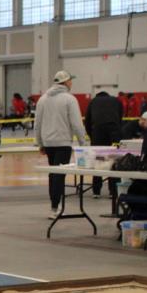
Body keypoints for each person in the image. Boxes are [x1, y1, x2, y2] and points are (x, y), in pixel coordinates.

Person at [34, 70, 87, 219]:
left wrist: (40, 143)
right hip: (63, 143)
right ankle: (56, 208)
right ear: (66, 82)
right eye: (70, 80)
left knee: (53, 174)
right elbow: (77, 124)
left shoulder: (43, 99)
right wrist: (83, 143)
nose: (72, 83)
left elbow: (37, 124)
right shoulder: (70, 99)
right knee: (59, 175)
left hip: (48, 143)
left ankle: (54, 206)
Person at [84, 90, 124, 198]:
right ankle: (113, 191)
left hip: (98, 134)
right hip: (114, 134)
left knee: (98, 161)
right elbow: (120, 118)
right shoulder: (116, 100)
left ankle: (96, 191)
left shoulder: (93, 101)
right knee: (114, 161)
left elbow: (87, 121)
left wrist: (92, 136)